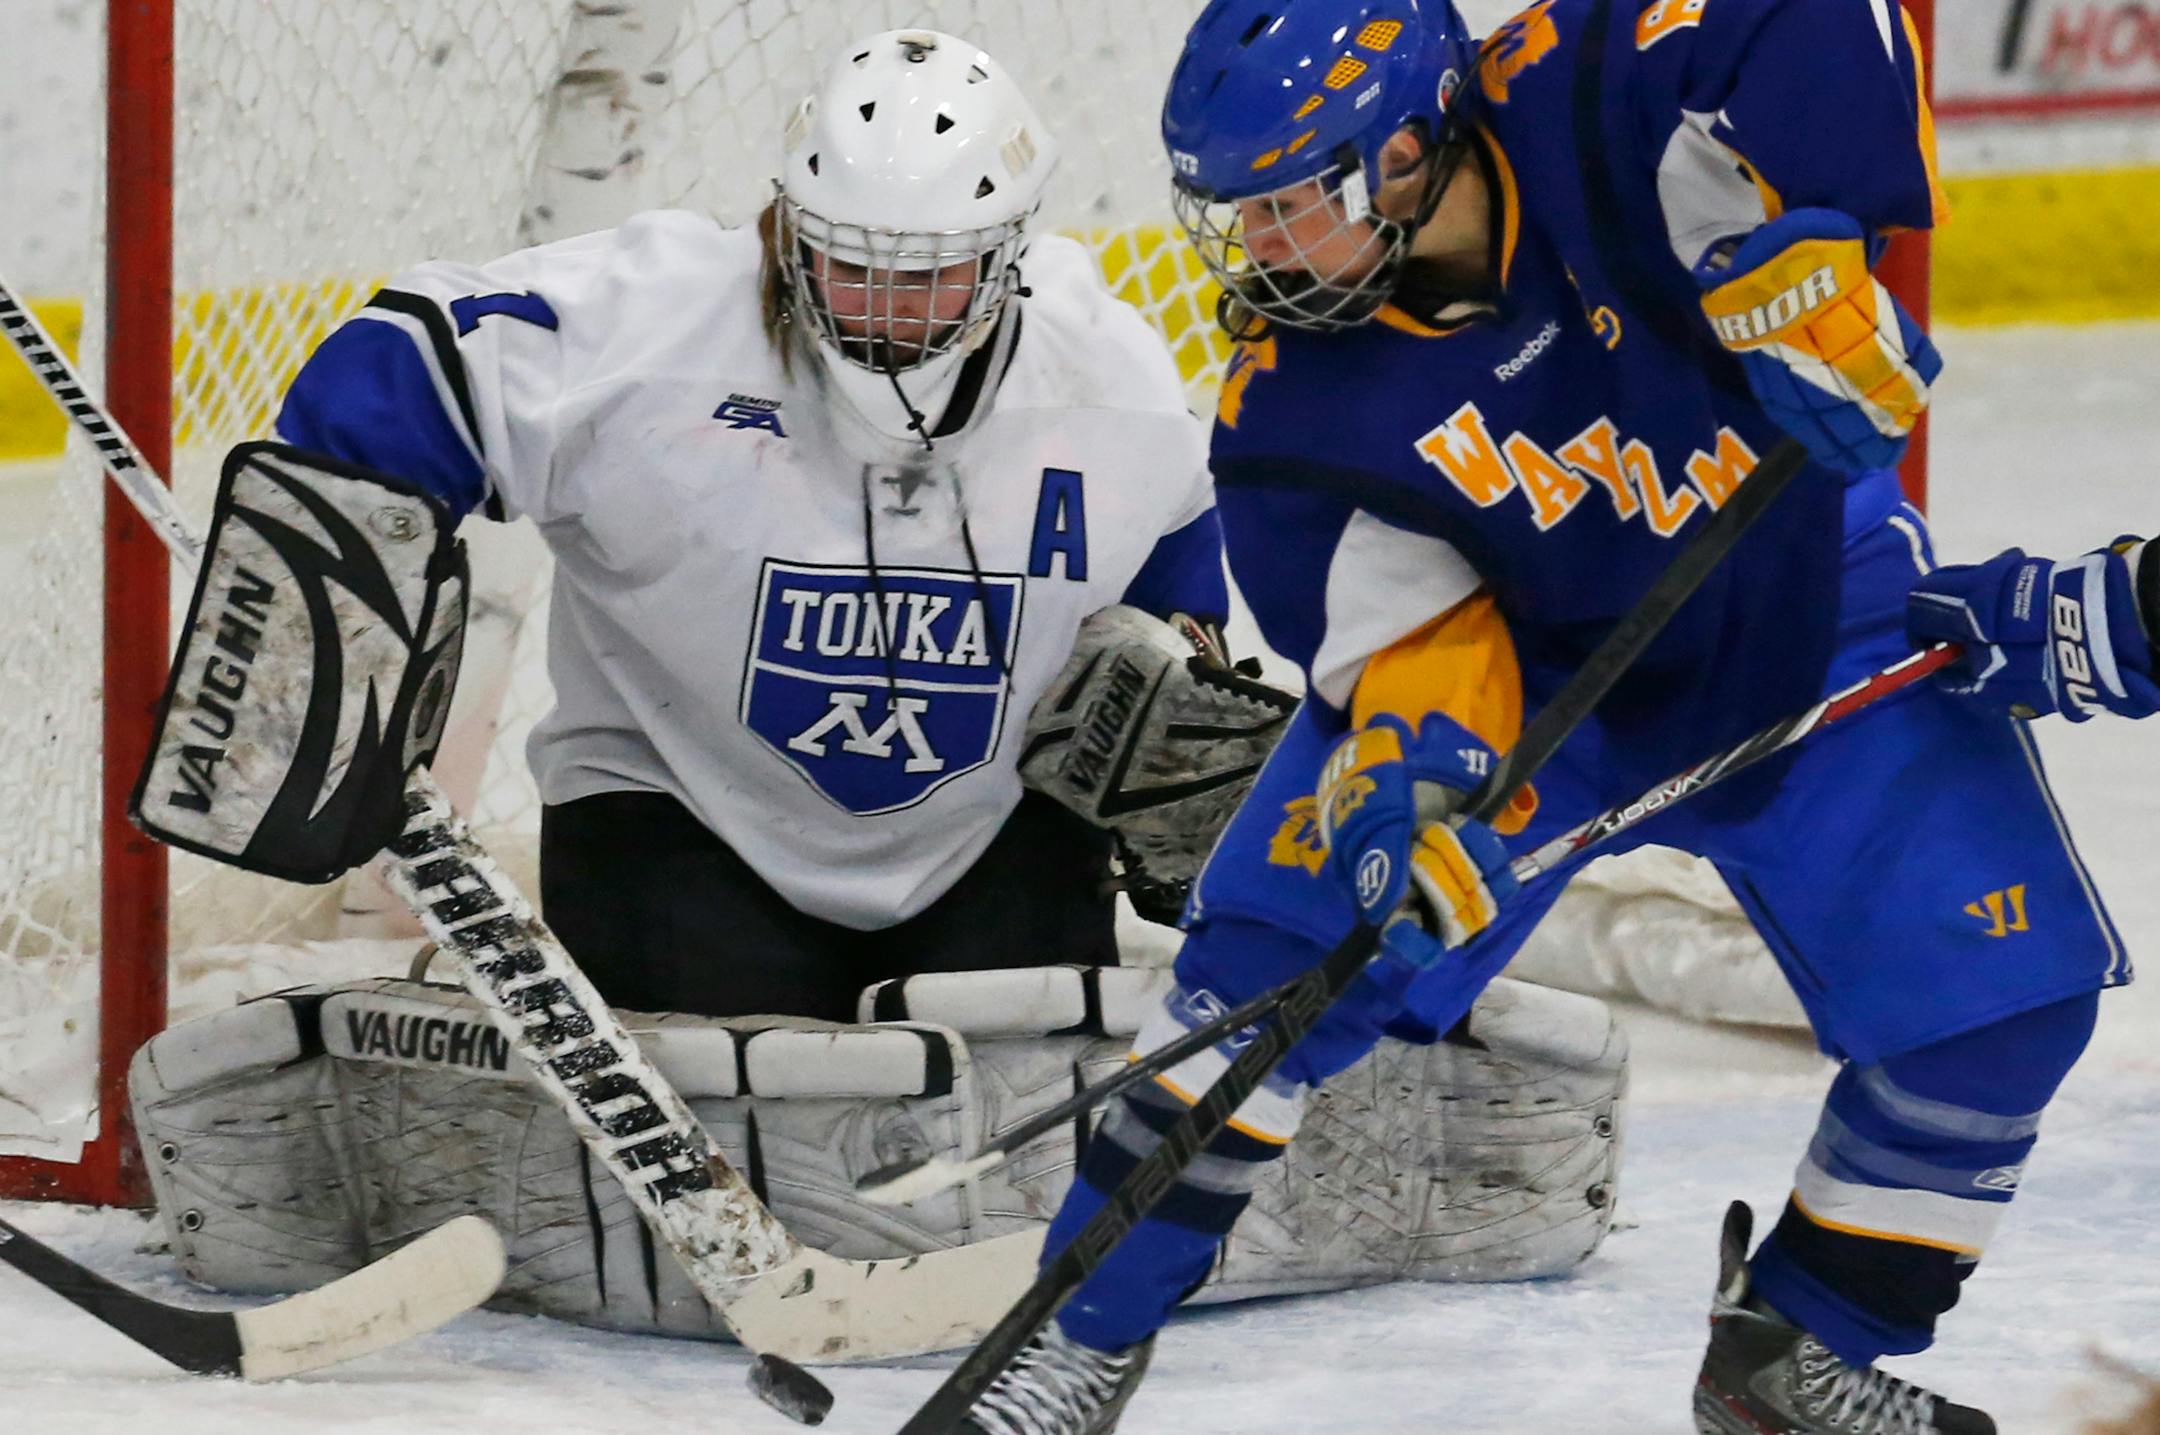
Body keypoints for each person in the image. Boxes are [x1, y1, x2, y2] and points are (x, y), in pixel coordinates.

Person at [950, 4, 2130, 1434]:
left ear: (1405, 148)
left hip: (1813, 606)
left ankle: (1797, 1349)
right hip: (1530, 684)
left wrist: (1813, 237)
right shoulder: (1293, 400)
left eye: (1287, 203)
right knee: (1261, 970)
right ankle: (1076, 1339)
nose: (1257, 248)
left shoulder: (1595, 89)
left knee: (2000, 1001)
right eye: (1235, 212)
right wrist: (1411, 799)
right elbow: (1406, 636)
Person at [269, 30, 1229, 1022]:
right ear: (790, 225)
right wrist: (328, 600)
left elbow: (1174, 562)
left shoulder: (1104, 379)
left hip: (985, 840)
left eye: (929, 274)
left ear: (1008, 255)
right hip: (678, 813)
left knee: (1012, 1138)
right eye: (847, 263)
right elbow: (402, 357)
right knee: (732, 1105)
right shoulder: (662, 320)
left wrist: (1177, 692)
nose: (882, 312)